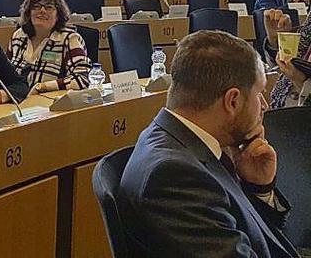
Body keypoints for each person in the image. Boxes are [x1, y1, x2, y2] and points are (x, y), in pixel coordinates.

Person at [117, 30, 298, 258]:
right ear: (232, 101)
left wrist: (258, 188)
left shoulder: (183, 143)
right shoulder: (174, 175)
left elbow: (257, 238)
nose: (264, 105)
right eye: (259, 94)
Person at [9, 0, 91, 90]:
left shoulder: (69, 39)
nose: (42, 10)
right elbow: (6, 75)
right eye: (36, 6)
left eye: (49, 7)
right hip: (16, 102)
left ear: (58, 13)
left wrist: (43, 87)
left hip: (50, 103)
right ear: (28, 11)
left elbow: (82, 79)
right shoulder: (18, 36)